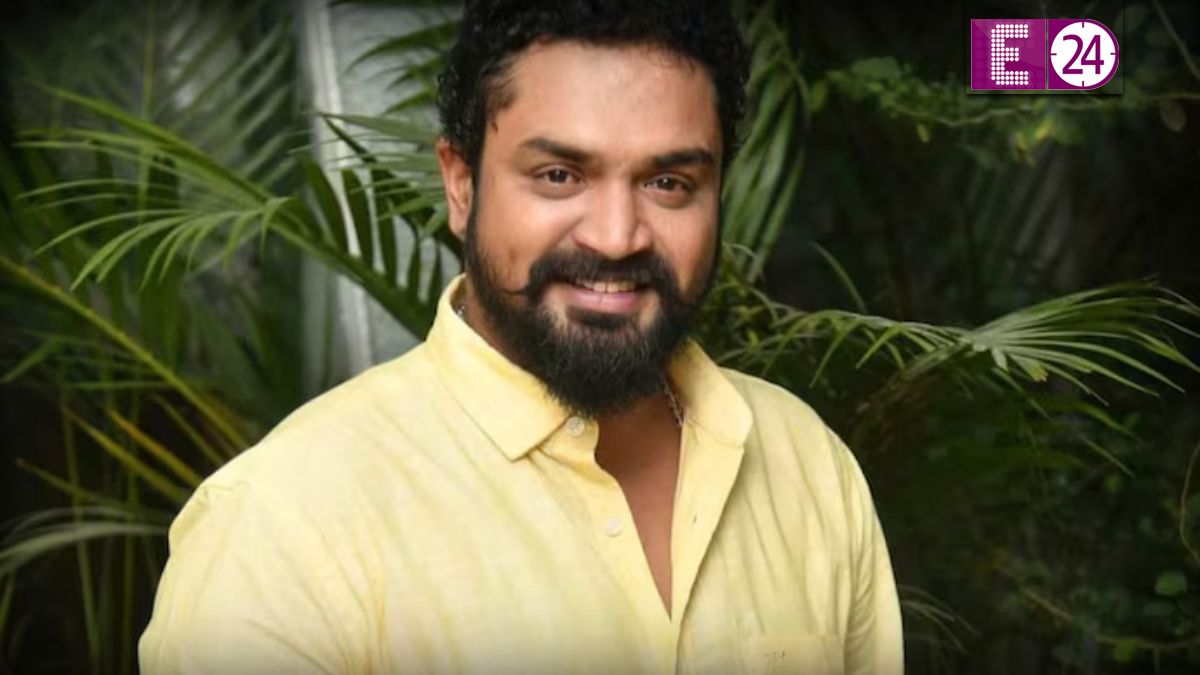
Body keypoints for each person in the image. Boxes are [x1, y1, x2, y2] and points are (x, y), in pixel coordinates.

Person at [138, 1, 904, 673]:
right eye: (559, 175)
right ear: (461, 182)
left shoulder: (808, 466)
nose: (616, 237)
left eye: (668, 183)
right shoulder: (283, 529)